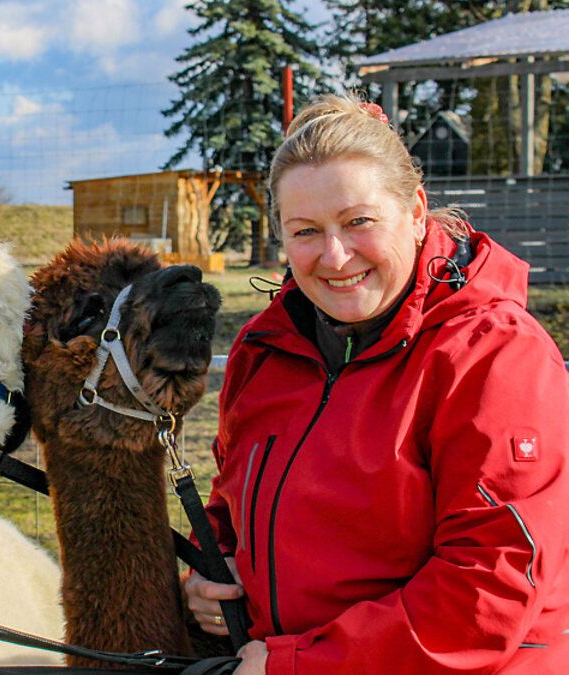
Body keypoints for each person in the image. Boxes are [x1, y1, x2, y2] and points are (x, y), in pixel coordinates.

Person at [184, 92, 569, 674]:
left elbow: (488, 593)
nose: (335, 257)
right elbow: (233, 500)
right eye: (306, 231)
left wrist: (297, 666)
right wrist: (212, 571)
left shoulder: (491, 354)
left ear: (416, 213)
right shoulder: (267, 350)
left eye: (358, 221)